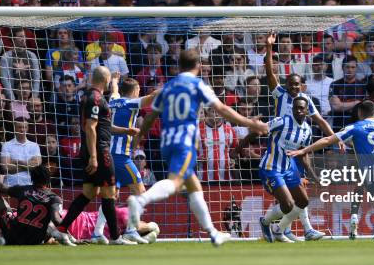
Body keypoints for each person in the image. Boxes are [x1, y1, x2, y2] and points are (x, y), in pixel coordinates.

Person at [127, 49, 268, 247]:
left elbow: (151, 117)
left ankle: (213, 232)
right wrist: (251, 124)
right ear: (199, 67)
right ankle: (140, 201)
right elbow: (223, 109)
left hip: (166, 143)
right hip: (185, 142)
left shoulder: (167, 86)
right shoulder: (197, 85)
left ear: (180, 65)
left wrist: (139, 137)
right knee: (175, 183)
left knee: (194, 187)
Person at [287, 100, 374, 243]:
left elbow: (327, 140)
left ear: (360, 113)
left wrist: (304, 150)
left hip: (369, 172)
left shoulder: (354, 128)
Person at [262, 33, 340, 241]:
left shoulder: (306, 100)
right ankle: (288, 228)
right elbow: (270, 73)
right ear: (287, 85)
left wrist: (335, 138)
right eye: (291, 84)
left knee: (300, 192)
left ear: (302, 86)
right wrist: (270, 48)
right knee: (290, 195)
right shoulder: (280, 94)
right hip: (280, 146)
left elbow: (320, 121)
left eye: (298, 85)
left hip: (298, 145)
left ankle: (294, 229)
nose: (294, 88)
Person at [55, 66, 134, 246]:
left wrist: (126, 130)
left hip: (91, 150)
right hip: (99, 151)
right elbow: (91, 127)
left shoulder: (87, 97)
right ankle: (115, 237)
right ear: (104, 80)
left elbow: (102, 126)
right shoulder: (96, 98)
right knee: (109, 194)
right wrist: (94, 157)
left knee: (89, 193)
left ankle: (61, 228)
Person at [90, 77, 159, 245]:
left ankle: (97, 233)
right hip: (121, 157)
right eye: (138, 91)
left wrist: (114, 80)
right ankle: (131, 230)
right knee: (140, 193)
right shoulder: (131, 103)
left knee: (110, 196)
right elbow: (152, 97)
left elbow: (114, 89)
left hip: (107, 155)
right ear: (135, 91)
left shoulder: (113, 101)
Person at [258, 97, 319, 243]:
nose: (298, 110)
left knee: (303, 201)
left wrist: (313, 175)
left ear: (307, 111)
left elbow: (303, 154)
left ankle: (279, 229)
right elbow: (260, 129)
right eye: (296, 107)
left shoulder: (307, 131)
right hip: (271, 167)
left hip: (288, 169)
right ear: (292, 109)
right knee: (288, 204)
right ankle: (265, 222)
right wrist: (241, 146)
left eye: (301, 108)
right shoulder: (282, 121)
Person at [0, 118, 42, 187]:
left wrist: (17, 162)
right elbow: (6, 168)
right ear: (14, 128)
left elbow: (36, 166)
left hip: (30, 185)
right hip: (10, 185)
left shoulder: (34, 145)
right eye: (19, 127)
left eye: (24, 127)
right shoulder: (6, 145)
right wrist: (29, 166)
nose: (22, 130)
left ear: (27, 129)